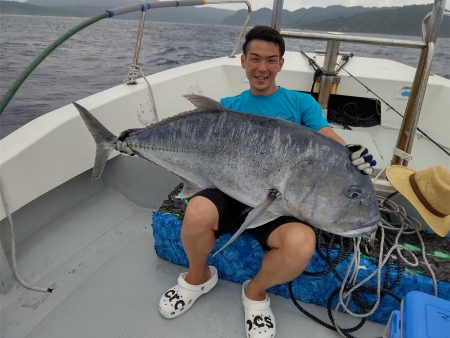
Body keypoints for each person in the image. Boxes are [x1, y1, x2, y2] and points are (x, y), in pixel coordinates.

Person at [121, 25, 377, 338]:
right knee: (197, 212)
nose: (262, 68)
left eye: (271, 60)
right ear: (243, 61)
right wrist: (135, 142)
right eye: (255, 59)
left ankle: (255, 292)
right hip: (230, 192)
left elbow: (327, 140)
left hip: (279, 203)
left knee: (301, 244)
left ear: (281, 64)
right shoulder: (228, 107)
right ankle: (198, 276)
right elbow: (194, 147)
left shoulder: (301, 104)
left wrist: (350, 152)